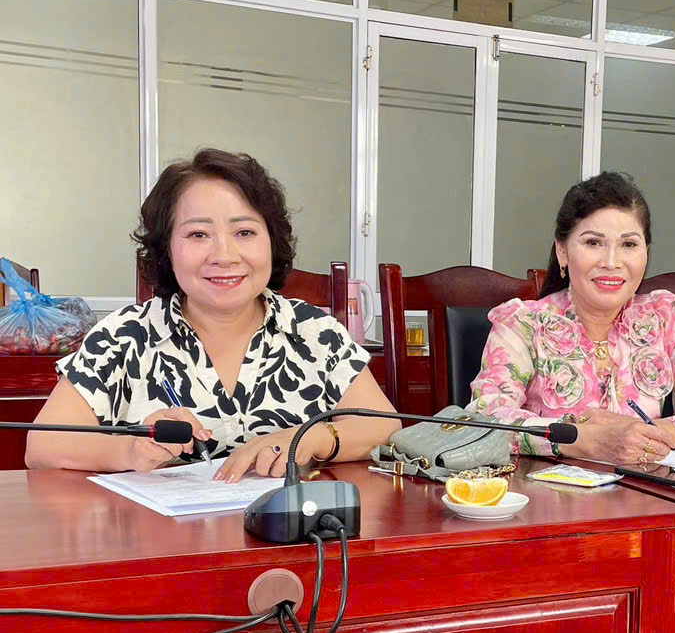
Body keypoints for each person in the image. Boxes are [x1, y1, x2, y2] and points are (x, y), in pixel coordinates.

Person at [26, 149, 399, 480]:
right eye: (198, 235)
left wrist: (312, 438)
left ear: (272, 242)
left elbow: (385, 429)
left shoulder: (315, 332)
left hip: (291, 534)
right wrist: (130, 449)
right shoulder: (123, 337)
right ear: (166, 250)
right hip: (164, 536)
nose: (224, 255)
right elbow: (42, 446)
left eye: (245, 232)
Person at [467, 171, 675, 466]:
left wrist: (651, 433)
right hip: (545, 492)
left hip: (648, 490)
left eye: (629, 245)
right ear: (562, 250)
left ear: (645, 253)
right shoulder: (522, 324)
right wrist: (585, 440)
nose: (612, 262)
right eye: (593, 243)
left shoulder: (664, 316)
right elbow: (485, 420)